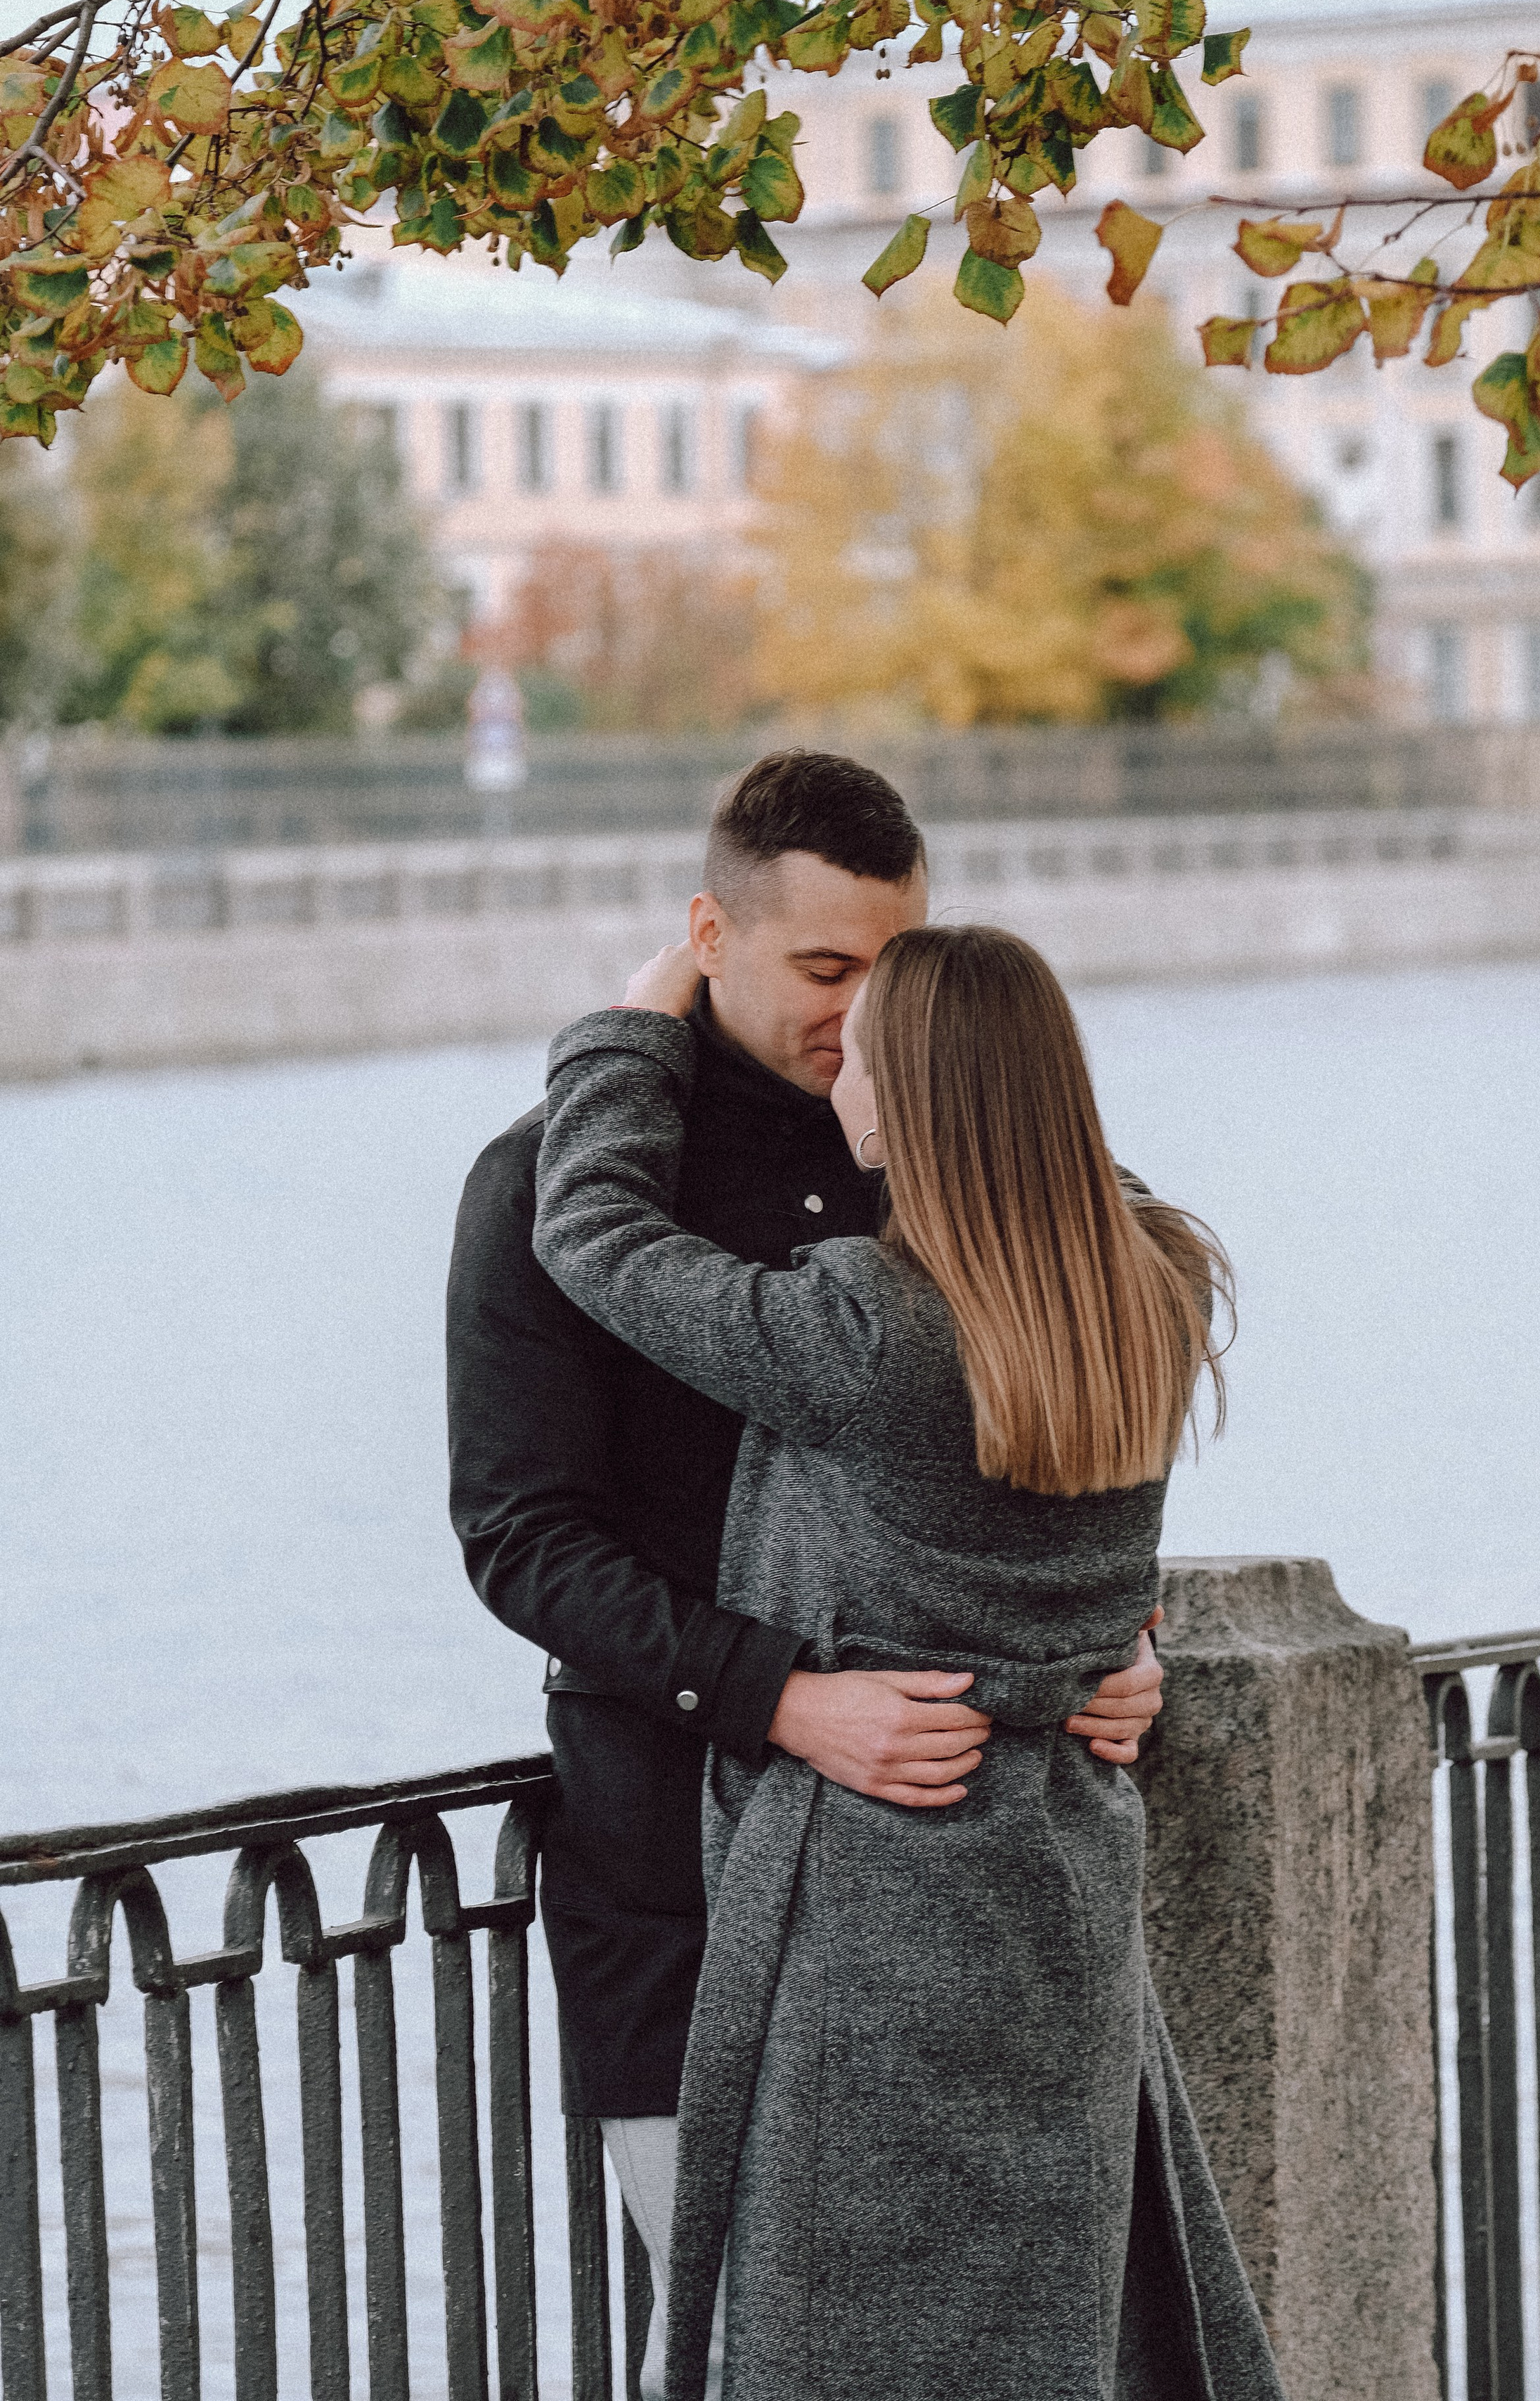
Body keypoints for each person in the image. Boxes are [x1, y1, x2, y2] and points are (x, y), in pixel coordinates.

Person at [446, 752, 1167, 2391]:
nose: (860, 1015)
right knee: (734, 2356)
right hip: (682, 1870)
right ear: (714, 932)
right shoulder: (548, 1182)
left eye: (891, 973)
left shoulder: (996, 1180)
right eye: (825, 970)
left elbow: (1081, 1436)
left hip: (973, 1895)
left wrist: (1118, 1637)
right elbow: (521, 1540)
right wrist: (783, 1700)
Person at [532, 918, 1287, 2401]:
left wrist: (633, 1031)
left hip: (876, 1915)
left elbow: (595, 1237)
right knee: (1049, 2340)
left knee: (842, 2351)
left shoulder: (863, 1327)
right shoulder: (1154, 1279)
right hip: (1064, 1895)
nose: (838, 1084)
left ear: (911, 1097)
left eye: (864, 1053)